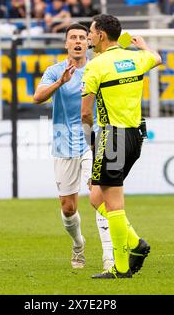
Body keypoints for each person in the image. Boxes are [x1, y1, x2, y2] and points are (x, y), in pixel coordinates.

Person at [81, 14, 162, 279]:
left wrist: (89, 139)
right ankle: (136, 243)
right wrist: (143, 45)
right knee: (97, 196)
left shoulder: (96, 65)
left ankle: (121, 266)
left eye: (91, 33)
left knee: (114, 204)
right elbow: (157, 58)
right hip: (136, 136)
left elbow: (85, 113)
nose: (88, 37)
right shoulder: (136, 58)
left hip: (112, 138)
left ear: (101, 35)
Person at [33, 23, 114, 271]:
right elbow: (37, 97)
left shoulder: (97, 67)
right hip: (63, 142)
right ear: (66, 44)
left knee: (98, 196)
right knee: (68, 209)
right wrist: (60, 82)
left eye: (82, 37)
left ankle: (109, 258)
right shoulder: (55, 71)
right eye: (73, 38)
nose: (78, 41)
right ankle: (78, 244)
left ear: (88, 42)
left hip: (93, 141)